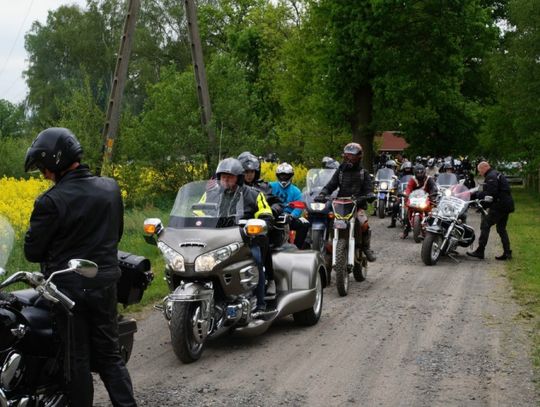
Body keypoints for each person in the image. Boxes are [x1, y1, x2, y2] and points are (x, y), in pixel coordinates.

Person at [23, 127, 136, 407]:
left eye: (44, 168)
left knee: (78, 362)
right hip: (105, 284)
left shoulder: (50, 201)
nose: (44, 174)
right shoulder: (110, 188)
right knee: (110, 356)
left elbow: (32, 251)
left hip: (69, 294)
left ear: (57, 161)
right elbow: (116, 233)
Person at [203, 158, 274, 312]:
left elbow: (267, 215)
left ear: (238, 178)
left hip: (245, 241)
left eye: (230, 177)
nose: (225, 180)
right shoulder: (211, 194)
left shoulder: (254, 195)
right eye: (223, 176)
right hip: (215, 240)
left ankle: (260, 303)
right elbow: (198, 213)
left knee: (256, 261)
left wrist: (255, 226)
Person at [316, 142, 376, 262]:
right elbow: (331, 185)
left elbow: (369, 189)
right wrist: (323, 193)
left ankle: (366, 248)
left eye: (352, 156)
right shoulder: (340, 172)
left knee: (363, 223)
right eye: (347, 155)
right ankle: (329, 244)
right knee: (330, 219)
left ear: (359, 157)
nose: (349, 158)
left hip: (357, 205)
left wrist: (369, 195)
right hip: (341, 204)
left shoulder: (363, 173)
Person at [237, 153, 282, 297]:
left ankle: (270, 279)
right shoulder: (233, 187)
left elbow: (277, 202)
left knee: (264, 242)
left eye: (251, 172)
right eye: (245, 172)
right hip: (236, 227)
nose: (249, 175)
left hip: (259, 227)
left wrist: (272, 211)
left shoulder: (264, 187)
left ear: (256, 172)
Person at [467, 161, 515, 260]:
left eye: (479, 171)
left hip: (500, 205)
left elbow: (491, 194)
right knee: (501, 229)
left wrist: (477, 195)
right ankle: (507, 253)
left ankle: (480, 251)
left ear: (484, 168)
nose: (480, 173)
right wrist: (483, 206)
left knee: (485, 224)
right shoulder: (495, 174)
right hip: (506, 205)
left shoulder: (491, 176)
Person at [269, 163, 310, 250]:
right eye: (281, 175)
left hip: (289, 217)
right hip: (272, 216)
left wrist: (292, 216)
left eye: (286, 176)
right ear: (277, 176)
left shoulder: (296, 191)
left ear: (291, 176)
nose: (283, 178)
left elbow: (299, 206)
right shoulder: (270, 186)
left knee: (305, 224)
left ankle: (297, 248)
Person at [401, 164, 438, 239]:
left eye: (421, 173)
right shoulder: (413, 179)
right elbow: (408, 188)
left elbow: (433, 188)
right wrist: (406, 195)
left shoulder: (429, 179)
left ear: (424, 172)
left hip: (426, 198)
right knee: (407, 213)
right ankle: (406, 231)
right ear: (415, 173)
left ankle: (432, 231)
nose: (420, 174)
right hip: (414, 199)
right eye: (418, 173)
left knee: (432, 214)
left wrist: (432, 194)